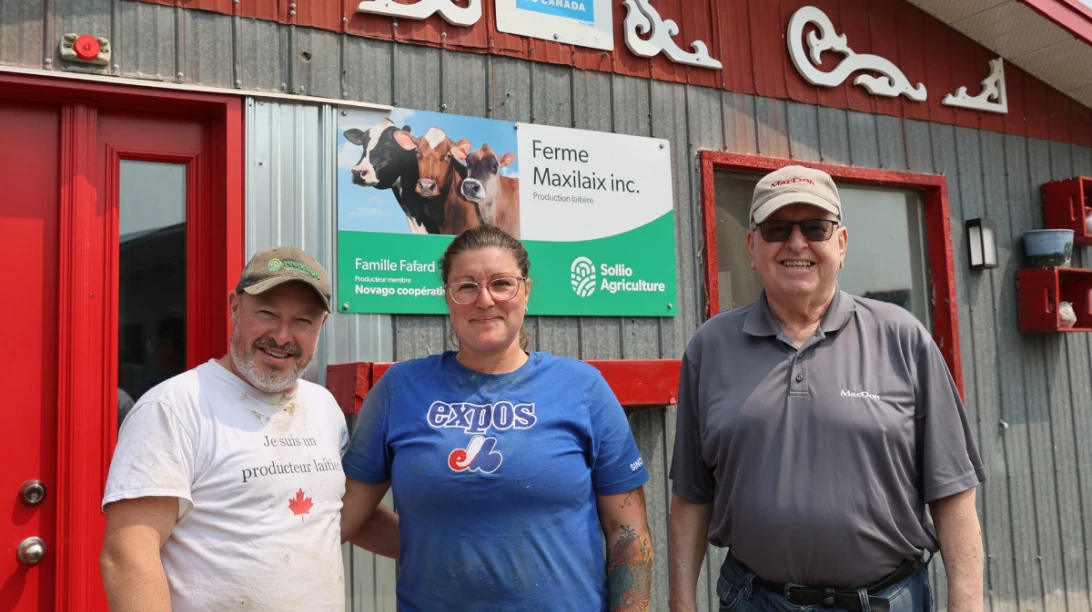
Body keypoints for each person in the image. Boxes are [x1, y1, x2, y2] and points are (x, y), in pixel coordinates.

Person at [668, 166, 986, 612]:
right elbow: (691, 495)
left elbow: (952, 491)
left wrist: (966, 604)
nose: (796, 243)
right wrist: (680, 603)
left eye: (815, 228)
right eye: (777, 228)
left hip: (886, 601)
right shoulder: (710, 348)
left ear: (841, 244)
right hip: (755, 601)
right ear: (752, 247)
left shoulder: (902, 338)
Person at [339, 225, 653, 611]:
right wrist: (434, 546)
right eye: (466, 286)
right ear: (448, 296)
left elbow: (628, 531)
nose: (484, 300)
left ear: (526, 292)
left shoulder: (583, 388)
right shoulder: (399, 390)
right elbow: (346, 516)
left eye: (502, 283)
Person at [100, 246, 397, 611]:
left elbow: (332, 514)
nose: (282, 336)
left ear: (321, 325)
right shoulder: (174, 407)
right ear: (234, 308)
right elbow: (128, 555)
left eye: (303, 321)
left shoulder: (323, 406)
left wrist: (447, 547)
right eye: (267, 313)